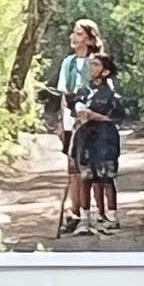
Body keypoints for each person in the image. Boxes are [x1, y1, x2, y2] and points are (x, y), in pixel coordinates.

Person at [73, 52, 126, 230]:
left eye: (96, 65)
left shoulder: (111, 95)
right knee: (85, 177)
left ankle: (112, 217)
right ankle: (85, 218)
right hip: (85, 137)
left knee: (106, 177)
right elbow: (78, 110)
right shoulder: (83, 90)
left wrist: (93, 115)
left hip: (105, 138)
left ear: (105, 71)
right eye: (91, 64)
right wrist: (86, 115)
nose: (92, 68)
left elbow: (115, 118)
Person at [56, 18, 102, 216]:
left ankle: (95, 211)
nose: (73, 37)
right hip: (71, 119)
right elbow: (64, 95)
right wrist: (63, 123)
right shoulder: (69, 63)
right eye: (74, 32)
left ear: (90, 40)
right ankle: (74, 210)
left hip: (91, 120)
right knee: (73, 166)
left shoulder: (98, 62)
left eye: (79, 34)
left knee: (91, 167)